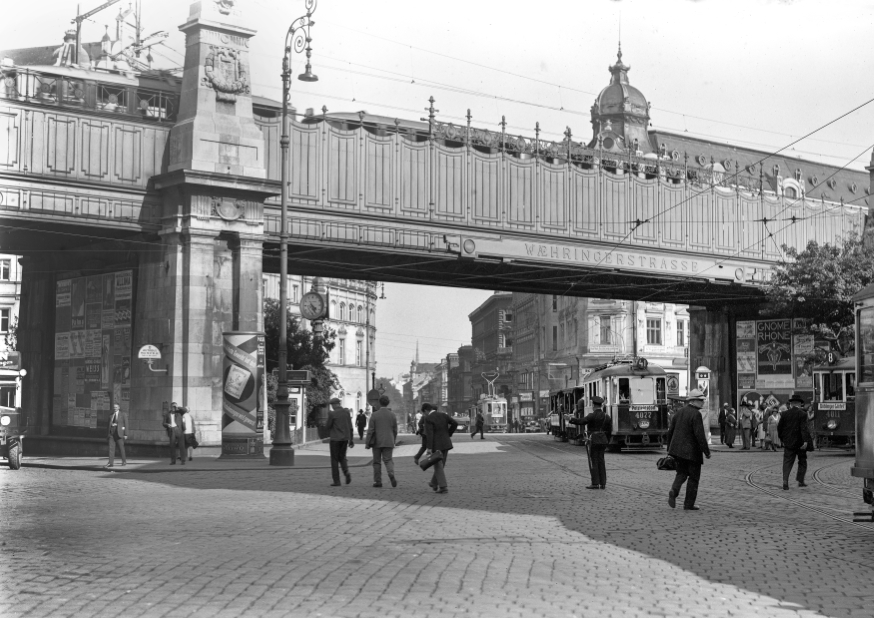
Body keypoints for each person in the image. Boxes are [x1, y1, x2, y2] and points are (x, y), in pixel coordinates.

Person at [666, 389, 711, 511]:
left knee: (681, 473)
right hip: (692, 452)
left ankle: (674, 491)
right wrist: (706, 451)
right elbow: (699, 435)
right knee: (693, 478)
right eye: (701, 400)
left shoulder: (679, 412)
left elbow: (670, 431)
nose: (702, 402)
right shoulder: (696, 414)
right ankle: (688, 504)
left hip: (677, 451)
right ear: (694, 401)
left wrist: (669, 449)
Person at [569, 395, 612, 489]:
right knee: (601, 461)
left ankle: (595, 483)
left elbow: (582, 421)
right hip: (603, 440)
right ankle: (603, 483)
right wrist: (607, 440)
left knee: (594, 461)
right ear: (601, 405)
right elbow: (609, 431)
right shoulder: (606, 416)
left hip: (594, 440)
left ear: (593, 405)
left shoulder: (592, 415)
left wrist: (570, 419)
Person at [777, 393, 813, 490]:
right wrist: (805, 441)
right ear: (800, 404)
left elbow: (779, 428)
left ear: (791, 404)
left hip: (788, 442)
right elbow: (803, 428)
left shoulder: (784, 414)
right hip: (800, 442)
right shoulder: (803, 414)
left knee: (787, 461)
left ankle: (785, 481)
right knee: (802, 461)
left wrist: (782, 439)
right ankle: (800, 480)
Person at [424, 401, 458, 494]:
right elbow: (455, 423)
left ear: (426, 411)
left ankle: (443, 487)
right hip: (446, 443)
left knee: (438, 466)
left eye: (424, 413)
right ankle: (434, 483)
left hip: (436, 445)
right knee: (441, 465)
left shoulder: (428, 418)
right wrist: (449, 433)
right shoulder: (443, 415)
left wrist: (429, 448)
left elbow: (430, 434)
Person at [366, 395, 398, 488]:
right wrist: (394, 440)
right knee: (388, 460)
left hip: (377, 442)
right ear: (387, 403)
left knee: (376, 462)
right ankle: (391, 473)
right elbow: (395, 430)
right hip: (389, 441)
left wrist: (367, 442)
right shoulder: (392, 415)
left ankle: (378, 481)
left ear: (379, 403)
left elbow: (370, 430)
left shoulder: (375, 415)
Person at [325, 398, 354, 486]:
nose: (332, 407)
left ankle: (337, 481)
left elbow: (328, 426)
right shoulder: (346, 412)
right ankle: (346, 472)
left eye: (332, 405)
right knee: (342, 457)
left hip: (335, 439)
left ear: (334, 404)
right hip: (345, 439)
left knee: (334, 459)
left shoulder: (332, 413)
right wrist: (351, 439)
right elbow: (350, 427)